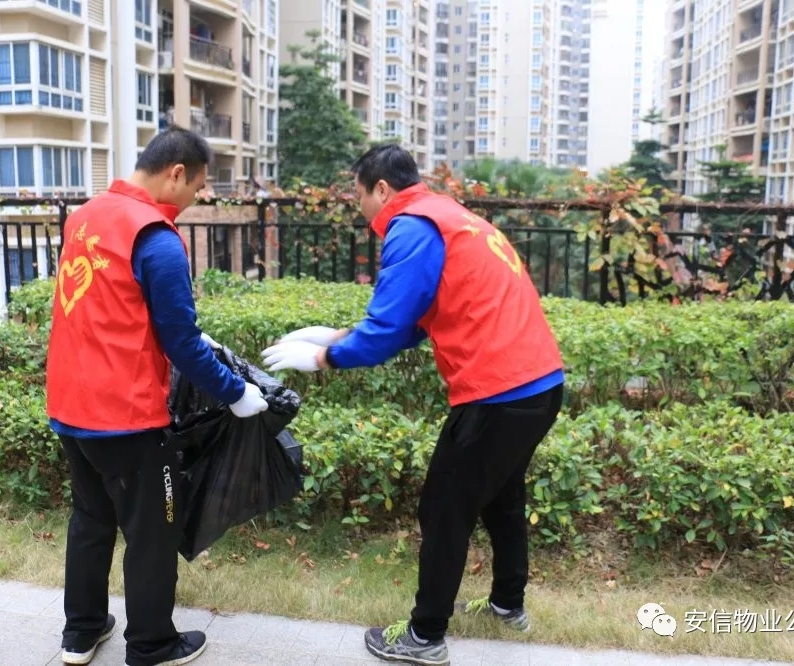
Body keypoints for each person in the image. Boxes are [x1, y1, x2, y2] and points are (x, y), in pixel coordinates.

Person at [260, 144, 565, 665]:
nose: (360, 208)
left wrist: (324, 357)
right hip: (539, 383)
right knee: (501, 497)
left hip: (498, 392)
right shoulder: (450, 215)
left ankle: (424, 637)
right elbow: (416, 319)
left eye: (359, 196)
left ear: (382, 189)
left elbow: (386, 330)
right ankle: (507, 606)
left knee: (444, 508)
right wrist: (337, 336)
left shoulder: (413, 226)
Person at [44, 126, 268, 666]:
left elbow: (107, 306)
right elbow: (180, 343)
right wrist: (236, 392)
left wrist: (188, 336)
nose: (195, 199)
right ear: (176, 173)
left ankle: (81, 633)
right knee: (152, 533)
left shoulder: (85, 217)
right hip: (127, 417)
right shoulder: (156, 237)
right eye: (197, 187)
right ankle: (152, 645)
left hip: (71, 405)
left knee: (91, 519)